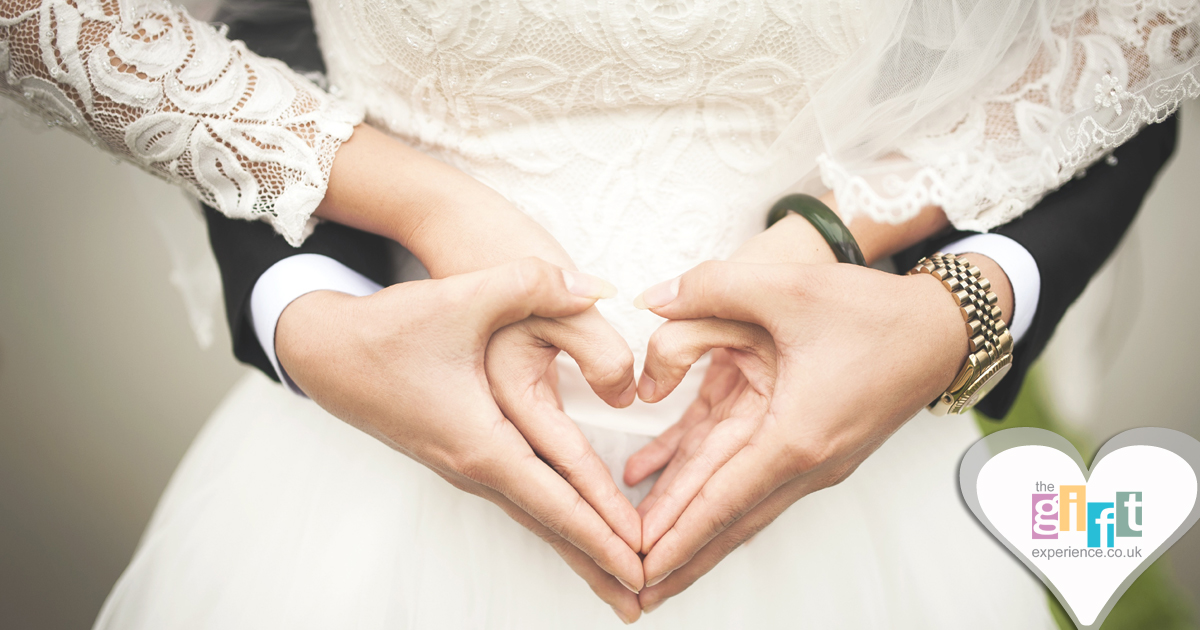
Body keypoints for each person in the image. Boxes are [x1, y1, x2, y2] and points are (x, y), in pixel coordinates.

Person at [1, 0, 1194, 626]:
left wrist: (937, 309)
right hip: (375, 487)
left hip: (845, 485)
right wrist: (335, 297)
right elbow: (164, 41)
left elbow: (1134, 36)